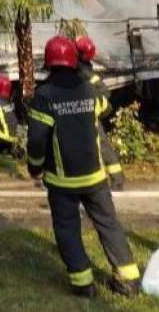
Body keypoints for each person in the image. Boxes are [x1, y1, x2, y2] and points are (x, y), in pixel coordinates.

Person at [27, 36, 141, 298]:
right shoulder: (88, 89)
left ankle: (83, 283)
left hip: (62, 181)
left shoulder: (45, 95)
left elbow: (37, 139)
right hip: (95, 178)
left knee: (67, 229)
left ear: (49, 62)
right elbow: (104, 107)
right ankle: (129, 280)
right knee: (109, 224)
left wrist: (34, 167)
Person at [75, 36, 125, 190]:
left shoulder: (81, 73)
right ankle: (117, 179)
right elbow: (105, 93)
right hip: (89, 114)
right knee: (102, 145)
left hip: (82, 115)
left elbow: (104, 93)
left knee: (99, 145)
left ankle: (114, 179)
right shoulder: (89, 73)